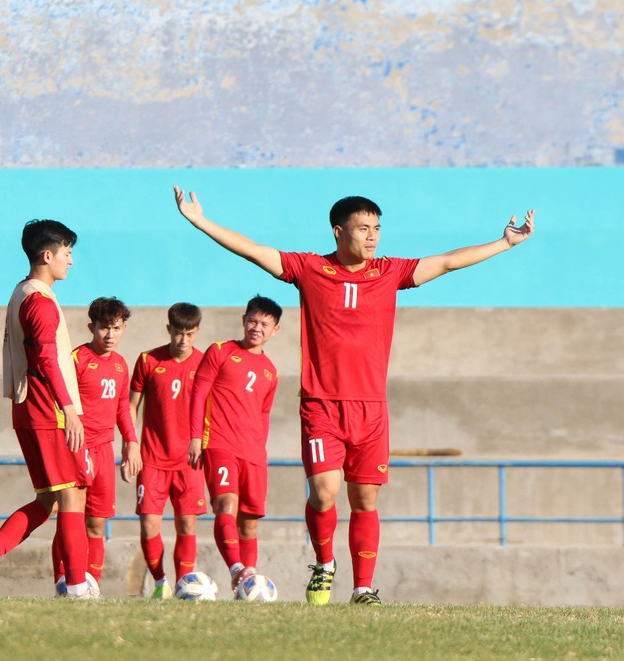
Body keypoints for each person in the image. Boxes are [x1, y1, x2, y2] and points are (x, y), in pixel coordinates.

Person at [174, 186, 534, 605]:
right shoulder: (308, 269)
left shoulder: (389, 272)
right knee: (324, 493)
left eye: (377, 228)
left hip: (371, 410)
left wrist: (505, 243)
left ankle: (363, 588)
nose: (372, 236)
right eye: (363, 228)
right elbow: (254, 251)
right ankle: (325, 564)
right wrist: (199, 220)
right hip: (322, 406)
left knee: (364, 498)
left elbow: (448, 261)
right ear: (338, 231)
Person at [0, 219, 95, 600]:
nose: (71, 261)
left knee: (48, 500)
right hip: (48, 410)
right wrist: (69, 408)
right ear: (48, 255)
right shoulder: (40, 301)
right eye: (67, 253)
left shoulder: (21, 291)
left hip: (29, 410)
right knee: (73, 495)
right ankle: (75, 588)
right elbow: (46, 359)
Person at [188, 295, 281, 597]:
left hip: (253, 453)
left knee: (250, 521)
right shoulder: (221, 351)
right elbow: (199, 392)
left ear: (274, 330)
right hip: (219, 442)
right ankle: (236, 569)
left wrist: (260, 449)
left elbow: (264, 414)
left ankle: (247, 579)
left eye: (264, 324)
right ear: (243, 320)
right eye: (253, 320)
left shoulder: (270, 371)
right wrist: (194, 438)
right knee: (225, 505)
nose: (257, 327)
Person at [51, 297, 142, 592]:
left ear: (124, 328)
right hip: (76, 448)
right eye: (104, 328)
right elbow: (59, 406)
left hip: (104, 451)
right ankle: (63, 582)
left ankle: (92, 586)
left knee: (97, 525)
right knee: (70, 519)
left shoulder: (120, 365)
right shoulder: (76, 360)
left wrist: (131, 442)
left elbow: (121, 409)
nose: (110, 335)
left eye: (116, 328)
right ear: (91, 327)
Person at [129, 302, 206, 598]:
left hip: (190, 461)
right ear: (168, 330)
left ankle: (184, 584)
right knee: (149, 524)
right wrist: (131, 444)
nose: (183, 340)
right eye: (177, 333)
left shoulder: (205, 363)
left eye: (189, 334)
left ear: (197, 332)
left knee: (187, 522)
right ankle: (160, 582)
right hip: (152, 459)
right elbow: (131, 406)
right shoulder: (148, 360)